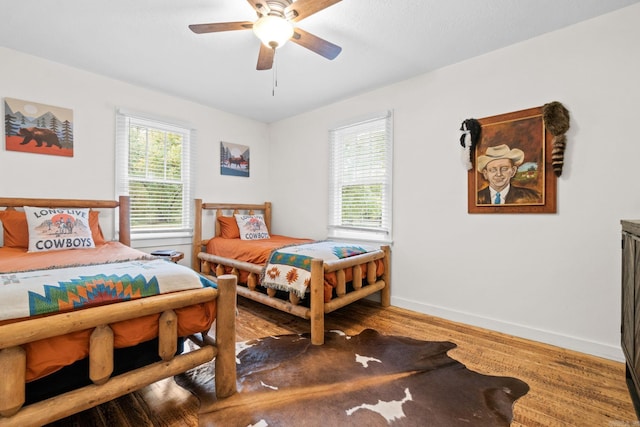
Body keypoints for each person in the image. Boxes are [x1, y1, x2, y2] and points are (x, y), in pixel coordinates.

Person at [476, 144, 541, 205]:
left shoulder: (532, 197)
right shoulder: (477, 198)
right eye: (493, 170)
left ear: (513, 171)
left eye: (504, 169)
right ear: (485, 174)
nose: (499, 174)